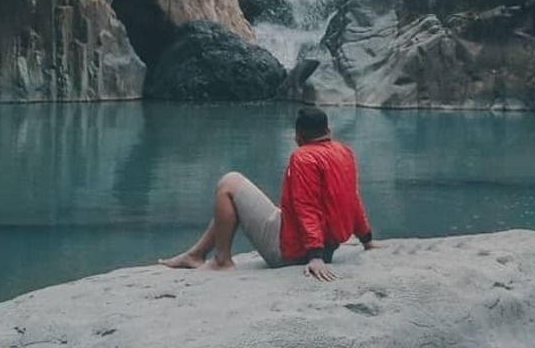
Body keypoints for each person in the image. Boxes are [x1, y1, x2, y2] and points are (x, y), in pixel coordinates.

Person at [159, 107, 377, 281]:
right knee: (240, 201)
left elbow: (306, 207)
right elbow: (352, 199)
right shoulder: (343, 152)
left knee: (228, 183)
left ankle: (221, 261)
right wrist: (367, 240)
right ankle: (195, 255)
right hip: (322, 246)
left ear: (298, 137)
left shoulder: (302, 157)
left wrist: (315, 257)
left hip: (293, 253)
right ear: (328, 132)